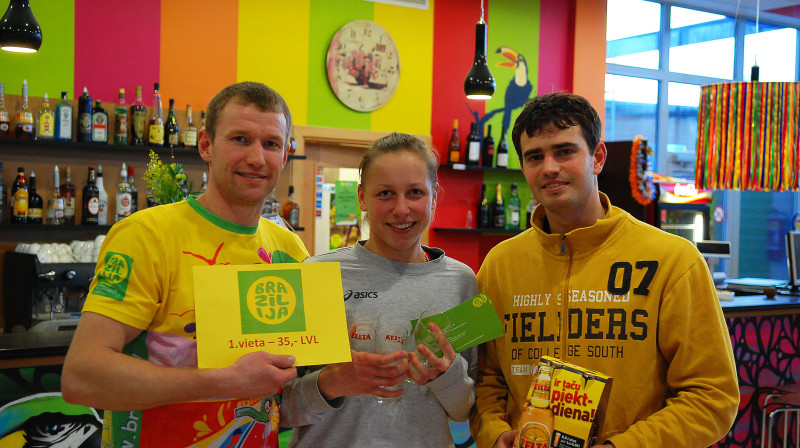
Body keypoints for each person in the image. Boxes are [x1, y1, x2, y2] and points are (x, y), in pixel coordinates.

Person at [469, 92, 739, 448]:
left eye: (565, 151)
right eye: (535, 156)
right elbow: (484, 377)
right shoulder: (497, 265)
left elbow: (712, 396)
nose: (549, 167)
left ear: (597, 157)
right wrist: (493, 433)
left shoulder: (674, 260)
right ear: (523, 167)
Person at [61, 81, 309, 448]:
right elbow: (82, 378)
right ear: (206, 145)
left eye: (271, 144)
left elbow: (287, 389)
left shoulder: (289, 248)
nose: (257, 158)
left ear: (285, 155)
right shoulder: (147, 234)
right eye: (240, 139)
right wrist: (227, 381)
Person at [280, 132, 477, 447]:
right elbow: (275, 411)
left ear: (434, 197)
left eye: (415, 192)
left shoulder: (462, 281)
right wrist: (329, 384)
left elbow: (470, 411)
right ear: (362, 197)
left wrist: (447, 377)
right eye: (386, 193)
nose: (401, 209)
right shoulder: (316, 273)